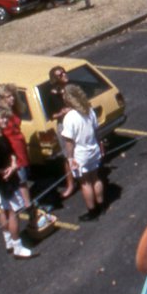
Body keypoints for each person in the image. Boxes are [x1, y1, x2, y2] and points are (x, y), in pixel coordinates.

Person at [0, 85, 55, 235]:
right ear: (1, 98)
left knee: (10, 202)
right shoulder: (1, 116)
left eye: (13, 95)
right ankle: (29, 223)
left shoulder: (12, 111)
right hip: (14, 160)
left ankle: (20, 229)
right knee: (18, 195)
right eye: (8, 96)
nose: (12, 98)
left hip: (19, 156)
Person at [0, 105, 34, 258]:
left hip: (5, 181)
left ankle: (8, 241)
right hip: (7, 183)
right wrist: (4, 171)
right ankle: (17, 246)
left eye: (6, 118)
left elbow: (10, 152)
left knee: (4, 209)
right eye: (2, 118)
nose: (5, 121)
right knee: (14, 212)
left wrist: (12, 163)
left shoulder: (0, 136)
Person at [59, 84, 106, 221]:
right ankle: (101, 205)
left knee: (85, 183)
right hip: (93, 149)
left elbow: (69, 142)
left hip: (80, 154)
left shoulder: (69, 117)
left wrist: (70, 158)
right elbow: (96, 131)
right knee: (96, 178)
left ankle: (92, 211)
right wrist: (100, 144)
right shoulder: (89, 110)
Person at [47, 65, 75, 199]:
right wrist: (61, 112)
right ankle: (70, 184)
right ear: (55, 79)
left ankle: (84, 178)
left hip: (76, 123)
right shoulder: (52, 95)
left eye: (64, 72)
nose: (64, 75)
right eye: (60, 75)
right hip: (63, 125)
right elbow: (51, 115)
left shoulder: (72, 89)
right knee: (67, 155)